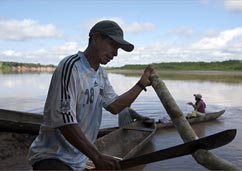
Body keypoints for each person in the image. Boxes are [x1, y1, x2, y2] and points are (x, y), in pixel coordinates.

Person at [27, 20, 155, 170]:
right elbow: (64, 120)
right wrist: (97, 156)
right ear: (95, 38)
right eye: (113, 46)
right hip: (53, 156)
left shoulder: (101, 74)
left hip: (80, 158)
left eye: (118, 49)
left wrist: (141, 84)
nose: (115, 53)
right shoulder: (70, 67)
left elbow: (114, 106)